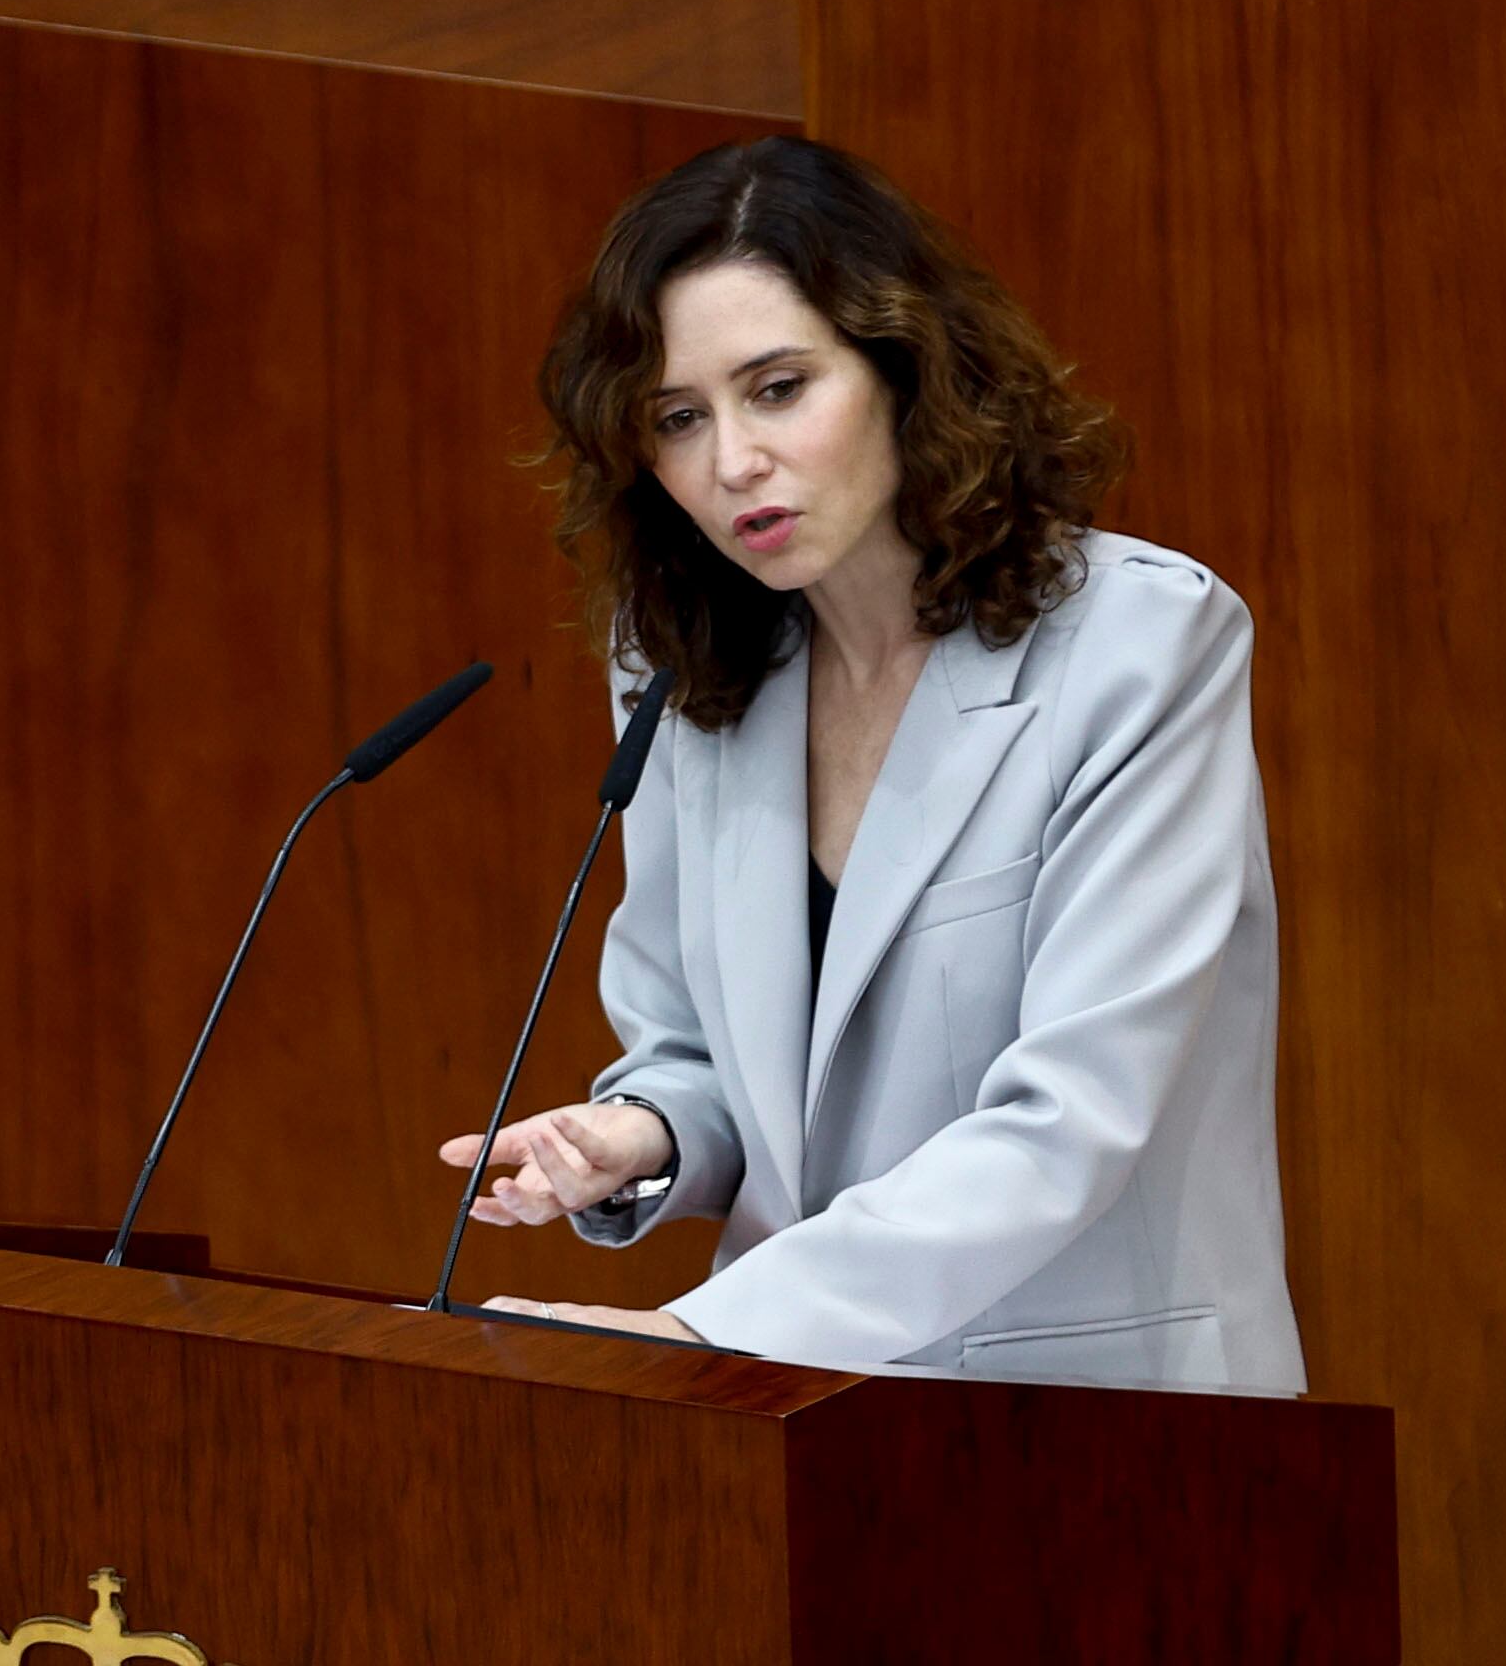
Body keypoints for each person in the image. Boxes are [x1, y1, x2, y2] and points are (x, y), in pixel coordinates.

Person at [436, 136, 1306, 1391]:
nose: (733, 462)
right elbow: (703, 1055)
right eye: (679, 419)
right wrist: (643, 1130)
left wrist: (706, 1331)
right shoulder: (688, 672)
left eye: (779, 388)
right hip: (801, 1421)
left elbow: (1073, 1115)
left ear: (905, 369)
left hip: (1100, 1424)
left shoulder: (1140, 646)